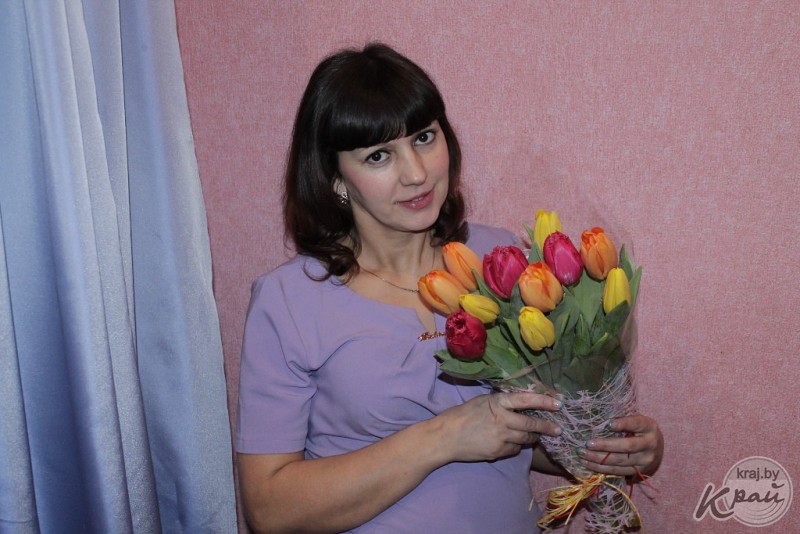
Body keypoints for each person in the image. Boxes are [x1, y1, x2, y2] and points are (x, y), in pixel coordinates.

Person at [236, 43, 663, 533]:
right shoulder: (289, 300)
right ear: (336, 180)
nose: (416, 174)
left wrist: (613, 447)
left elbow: (529, 435)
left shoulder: (501, 260)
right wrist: (444, 437)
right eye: (378, 156)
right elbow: (269, 510)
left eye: (424, 137)